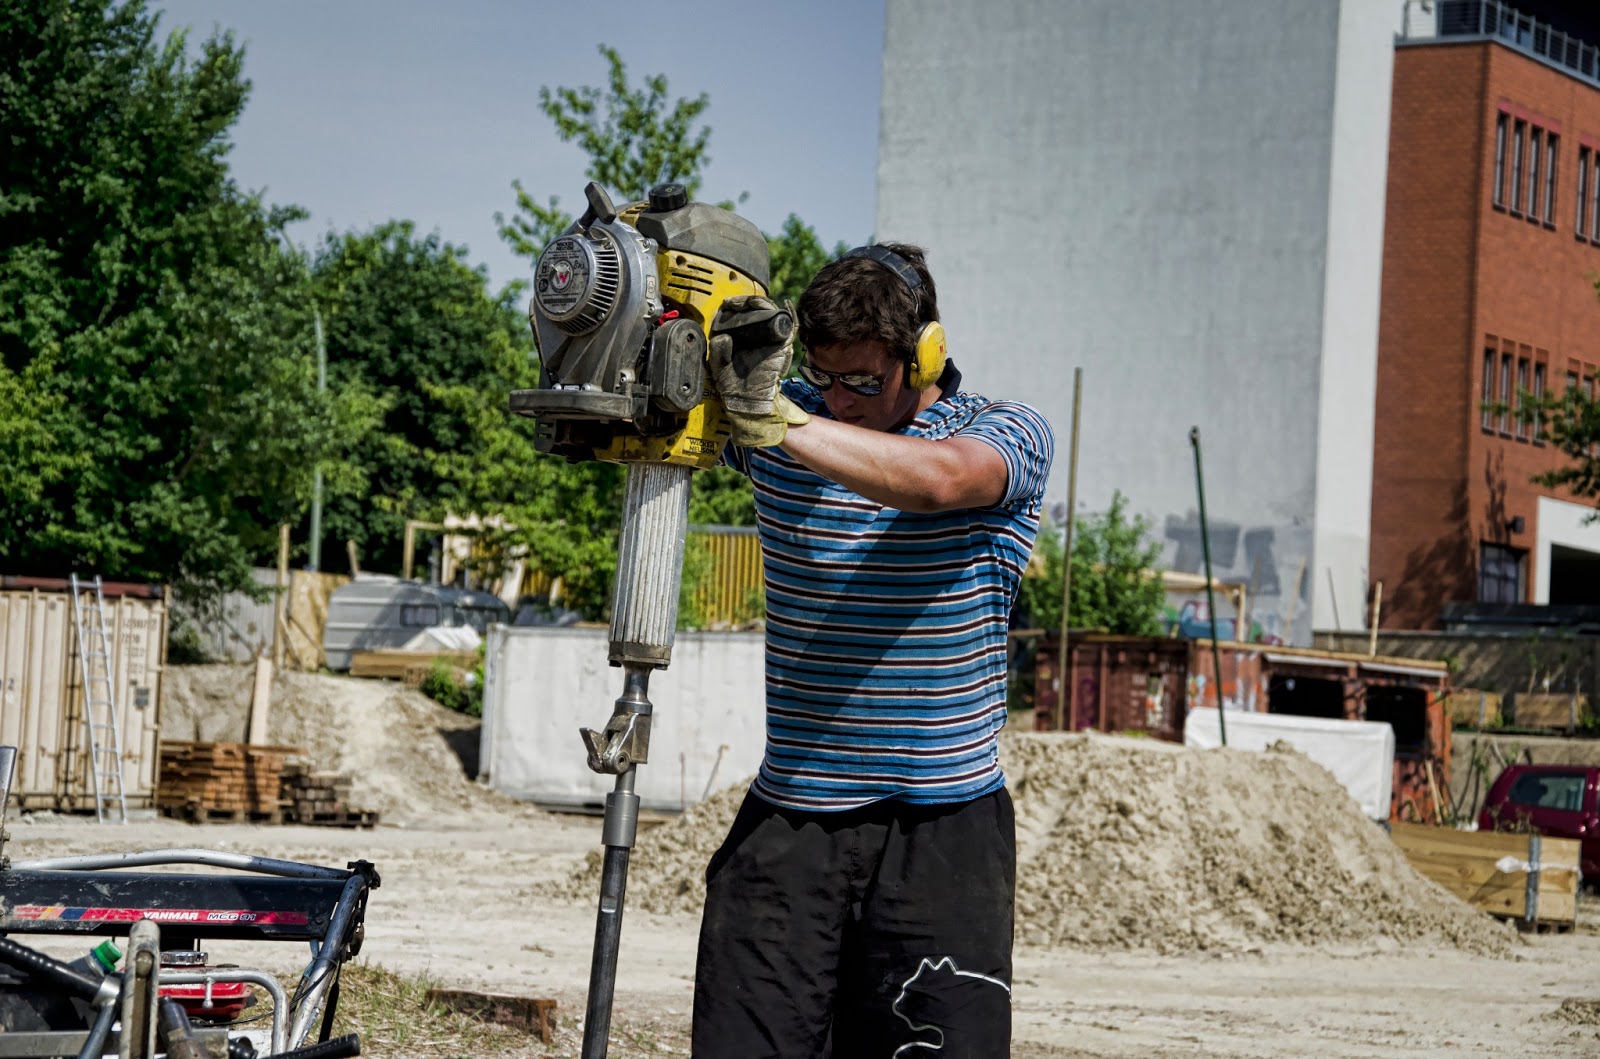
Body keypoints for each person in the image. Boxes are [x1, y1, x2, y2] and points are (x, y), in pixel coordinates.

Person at [692, 243, 1055, 1058]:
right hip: (790, 825)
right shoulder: (783, 412)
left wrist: (785, 419)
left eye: (861, 380)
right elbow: (659, 414)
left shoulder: (1007, 431)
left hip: (942, 835)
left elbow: (940, 481)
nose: (838, 399)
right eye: (822, 375)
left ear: (925, 353)